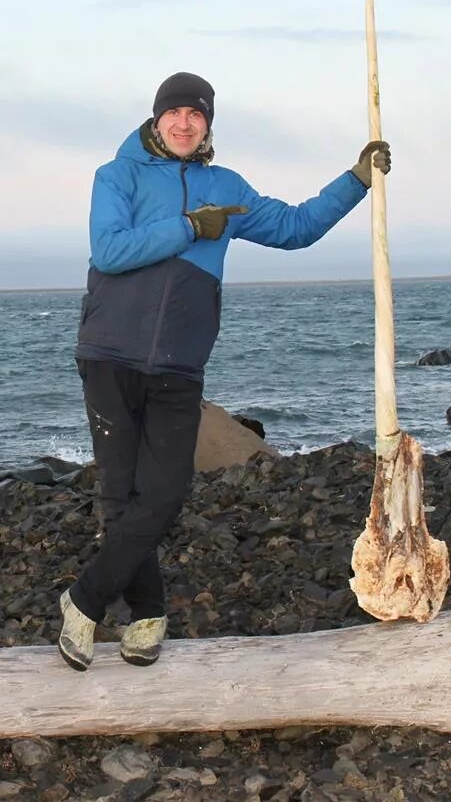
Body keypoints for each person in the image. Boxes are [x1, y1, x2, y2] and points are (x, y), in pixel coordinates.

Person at [58, 71, 390, 671]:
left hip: (179, 365)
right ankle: (149, 616)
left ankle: (83, 601)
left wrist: (356, 180)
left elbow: (296, 228)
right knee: (119, 497)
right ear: (156, 119)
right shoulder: (118, 176)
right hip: (108, 354)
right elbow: (109, 250)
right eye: (174, 113)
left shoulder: (227, 189)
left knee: (162, 494)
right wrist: (190, 227)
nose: (184, 123)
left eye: (197, 114)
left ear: (209, 124)